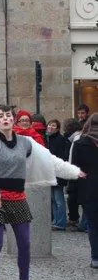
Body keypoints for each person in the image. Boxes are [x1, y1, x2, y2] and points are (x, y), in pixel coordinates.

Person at [0, 105, 84, 280]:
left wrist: (73, 172)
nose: (5, 119)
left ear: (13, 120)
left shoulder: (26, 143)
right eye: (1, 116)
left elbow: (50, 160)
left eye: (8, 116)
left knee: (25, 244)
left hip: (17, 197)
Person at [70, 113, 98, 268]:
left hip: (89, 189)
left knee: (93, 225)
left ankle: (96, 257)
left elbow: (75, 168)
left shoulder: (80, 143)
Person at [45, 119, 70, 231]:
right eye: (49, 124)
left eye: (53, 125)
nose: (51, 127)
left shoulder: (60, 140)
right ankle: (56, 221)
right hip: (50, 173)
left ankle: (61, 223)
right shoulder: (48, 139)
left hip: (57, 174)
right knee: (54, 199)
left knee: (59, 200)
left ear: (58, 128)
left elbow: (60, 158)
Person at [64, 118, 84, 230]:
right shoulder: (75, 138)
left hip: (76, 171)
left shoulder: (76, 138)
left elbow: (72, 157)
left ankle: (75, 219)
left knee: (73, 197)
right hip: (78, 171)